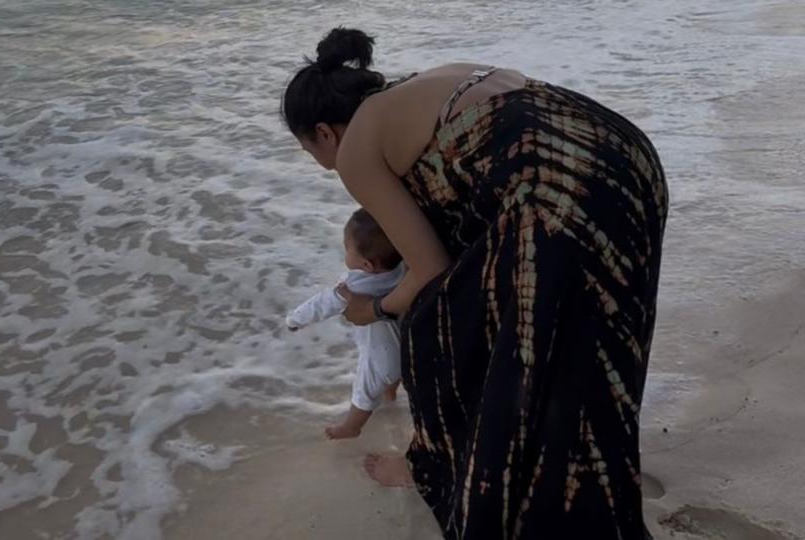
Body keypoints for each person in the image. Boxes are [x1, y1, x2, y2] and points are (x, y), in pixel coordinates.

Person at [279, 27, 667, 540]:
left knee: (436, 326)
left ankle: (441, 473)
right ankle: (594, 476)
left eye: (312, 153)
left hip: (554, 188)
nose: (324, 165)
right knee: (595, 345)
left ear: (324, 133)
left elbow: (432, 273)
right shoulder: (421, 86)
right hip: (624, 152)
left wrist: (372, 312)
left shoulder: (354, 151)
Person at [286, 209, 405, 439]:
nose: (345, 251)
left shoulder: (355, 287)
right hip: (403, 346)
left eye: (347, 247)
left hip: (380, 356)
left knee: (364, 390)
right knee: (390, 376)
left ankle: (351, 428)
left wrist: (295, 319)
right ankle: (391, 394)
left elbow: (322, 304)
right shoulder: (401, 270)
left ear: (367, 265)